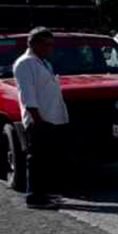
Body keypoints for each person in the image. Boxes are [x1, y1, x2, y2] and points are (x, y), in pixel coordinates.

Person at [13, 27, 69, 208]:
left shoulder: (43, 62)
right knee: (36, 160)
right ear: (34, 44)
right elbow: (27, 95)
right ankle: (34, 197)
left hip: (52, 118)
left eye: (52, 44)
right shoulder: (25, 64)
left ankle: (46, 194)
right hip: (39, 120)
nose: (51, 48)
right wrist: (38, 120)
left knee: (48, 160)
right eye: (47, 44)